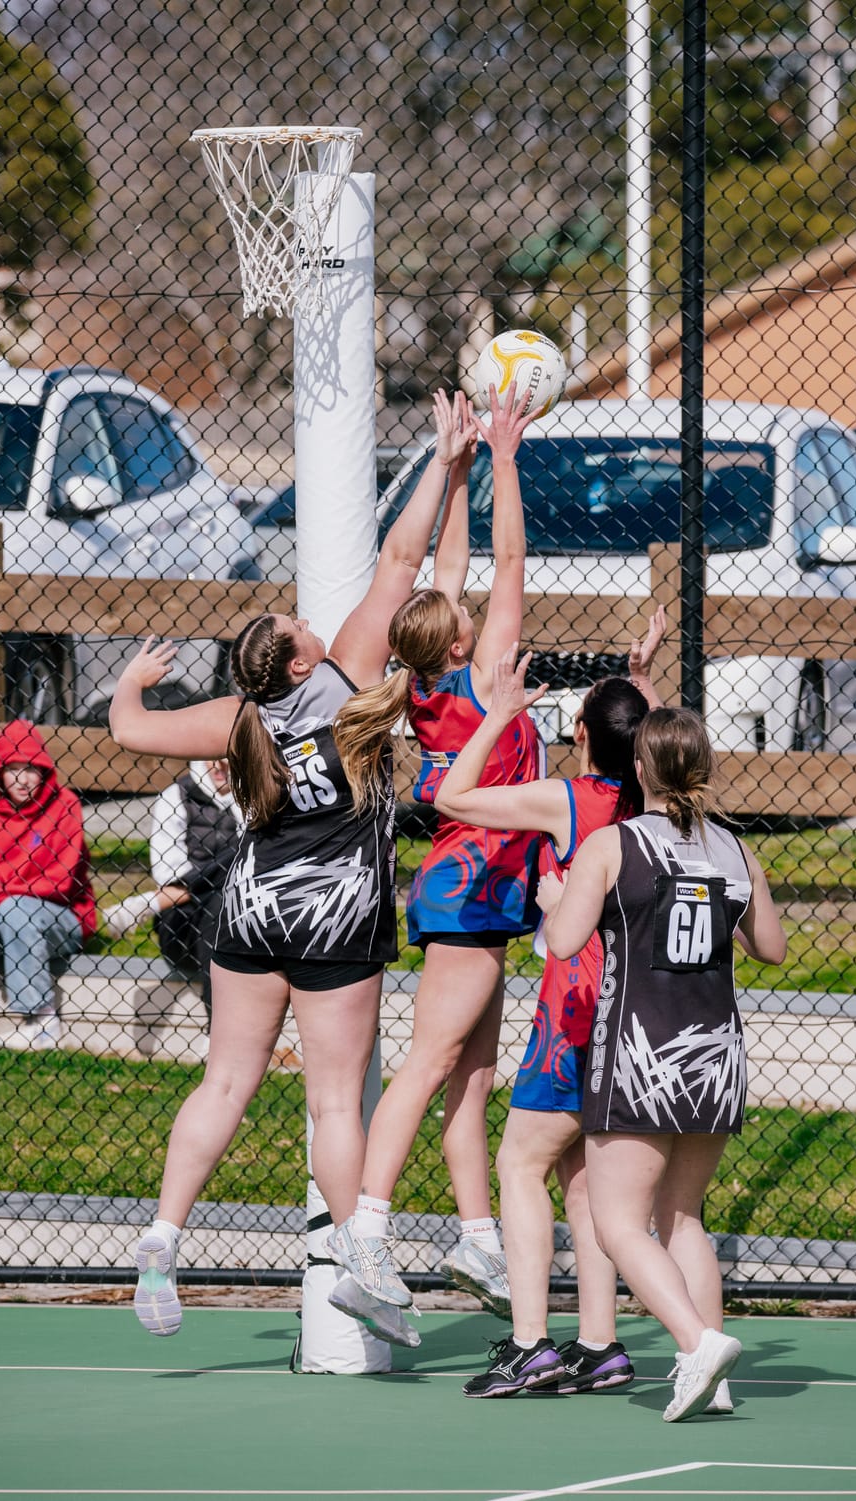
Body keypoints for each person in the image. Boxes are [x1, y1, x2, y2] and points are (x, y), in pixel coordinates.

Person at [107, 387, 479, 1346]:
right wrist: (445, 463)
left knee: (224, 1083)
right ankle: (359, 1256)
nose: (308, 622)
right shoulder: (350, 685)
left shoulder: (239, 719)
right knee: (330, 1094)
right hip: (336, 918)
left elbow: (127, 729)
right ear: (302, 659)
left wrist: (130, 681)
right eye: (297, 626)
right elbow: (404, 560)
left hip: (251, 911)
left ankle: (161, 1234)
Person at [327, 385, 541, 1323]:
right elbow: (507, 561)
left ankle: (479, 1241)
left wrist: (452, 467)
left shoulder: (423, 680)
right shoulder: (487, 669)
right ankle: (364, 1234)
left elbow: (451, 567)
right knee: (429, 1063)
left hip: (478, 884)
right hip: (470, 885)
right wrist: (502, 454)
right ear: (459, 635)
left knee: (474, 1075)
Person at [431, 619, 665, 1398]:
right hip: (643, 1013)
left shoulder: (574, 801)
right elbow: (661, 748)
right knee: (583, 1174)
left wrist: (497, 713)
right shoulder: (666, 810)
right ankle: (600, 1344)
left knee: (518, 1161)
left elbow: (452, 793)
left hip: (578, 1009)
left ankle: (531, 1343)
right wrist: (643, 684)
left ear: (580, 734)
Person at [537, 706, 787, 1422]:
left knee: (618, 1222)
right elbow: (770, 945)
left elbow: (564, 941)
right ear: (701, 768)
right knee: (683, 1217)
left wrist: (558, 898)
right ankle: (711, 1370)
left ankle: (696, 1341)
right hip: (714, 1056)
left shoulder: (613, 844)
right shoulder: (737, 851)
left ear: (639, 769)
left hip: (639, 1055)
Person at [0, 720, 96, 1050]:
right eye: (12, 769)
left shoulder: (64, 805)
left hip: (61, 916)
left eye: (31, 769)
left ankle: (41, 1018)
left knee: (15, 907)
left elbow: (60, 878)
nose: (22, 780)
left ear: (44, 771)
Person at [102, 758, 244, 1024]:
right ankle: (218, 1029)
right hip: (183, 929)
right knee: (222, 890)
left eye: (229, 760)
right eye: (213, 759)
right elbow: (168, 874)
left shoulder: (252, 796)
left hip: (236, 921)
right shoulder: (175, 795)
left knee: (229, 884)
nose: (219, 767)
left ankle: (151, 903)